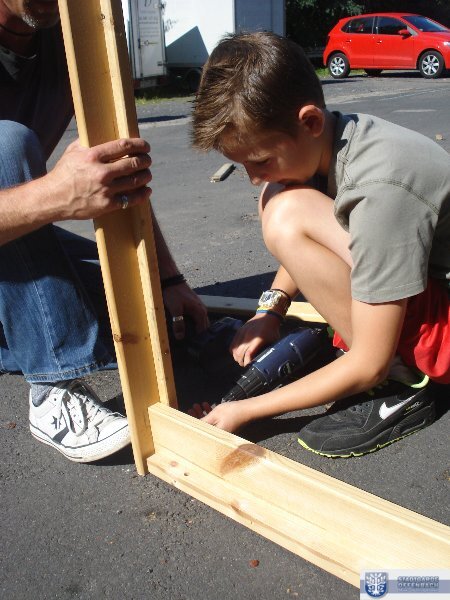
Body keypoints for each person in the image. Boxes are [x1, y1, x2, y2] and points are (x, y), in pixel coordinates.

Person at [190, 31, 450, 457]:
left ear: (309, 121)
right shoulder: (332, 137)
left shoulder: (380, 188)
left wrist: (245, 410)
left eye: (260, 160)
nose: (253, 177)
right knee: (280, 197)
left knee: (286, 211)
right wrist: (270, 311)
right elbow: (314, 233)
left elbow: (368, 364)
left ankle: (406, 381)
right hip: (423, 278)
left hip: (443, 330)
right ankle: (375, 339)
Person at [0, 0, 208, 463]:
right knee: (5, 146)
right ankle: (52, 386)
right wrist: (54, 195)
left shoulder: (74, 37)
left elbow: (118, 170)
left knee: (142, 307)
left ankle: (28, 334)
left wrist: (168, 278)